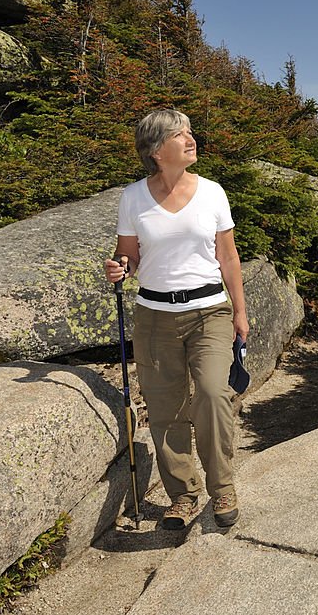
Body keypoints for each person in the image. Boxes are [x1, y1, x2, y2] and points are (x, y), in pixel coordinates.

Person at [103, 109, 249, 529]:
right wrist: (120, 268)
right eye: (178, 134)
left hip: (210, 312)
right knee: (165, 409)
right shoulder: (133, 197)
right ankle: (183, 496)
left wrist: (240, 312)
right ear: (155, 149)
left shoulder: (213, 192)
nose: (190, 139)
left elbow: (228, 256)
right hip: (154, 316)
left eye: (189, 131)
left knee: (212, 394)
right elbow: (128, 255)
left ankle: (221, 488)